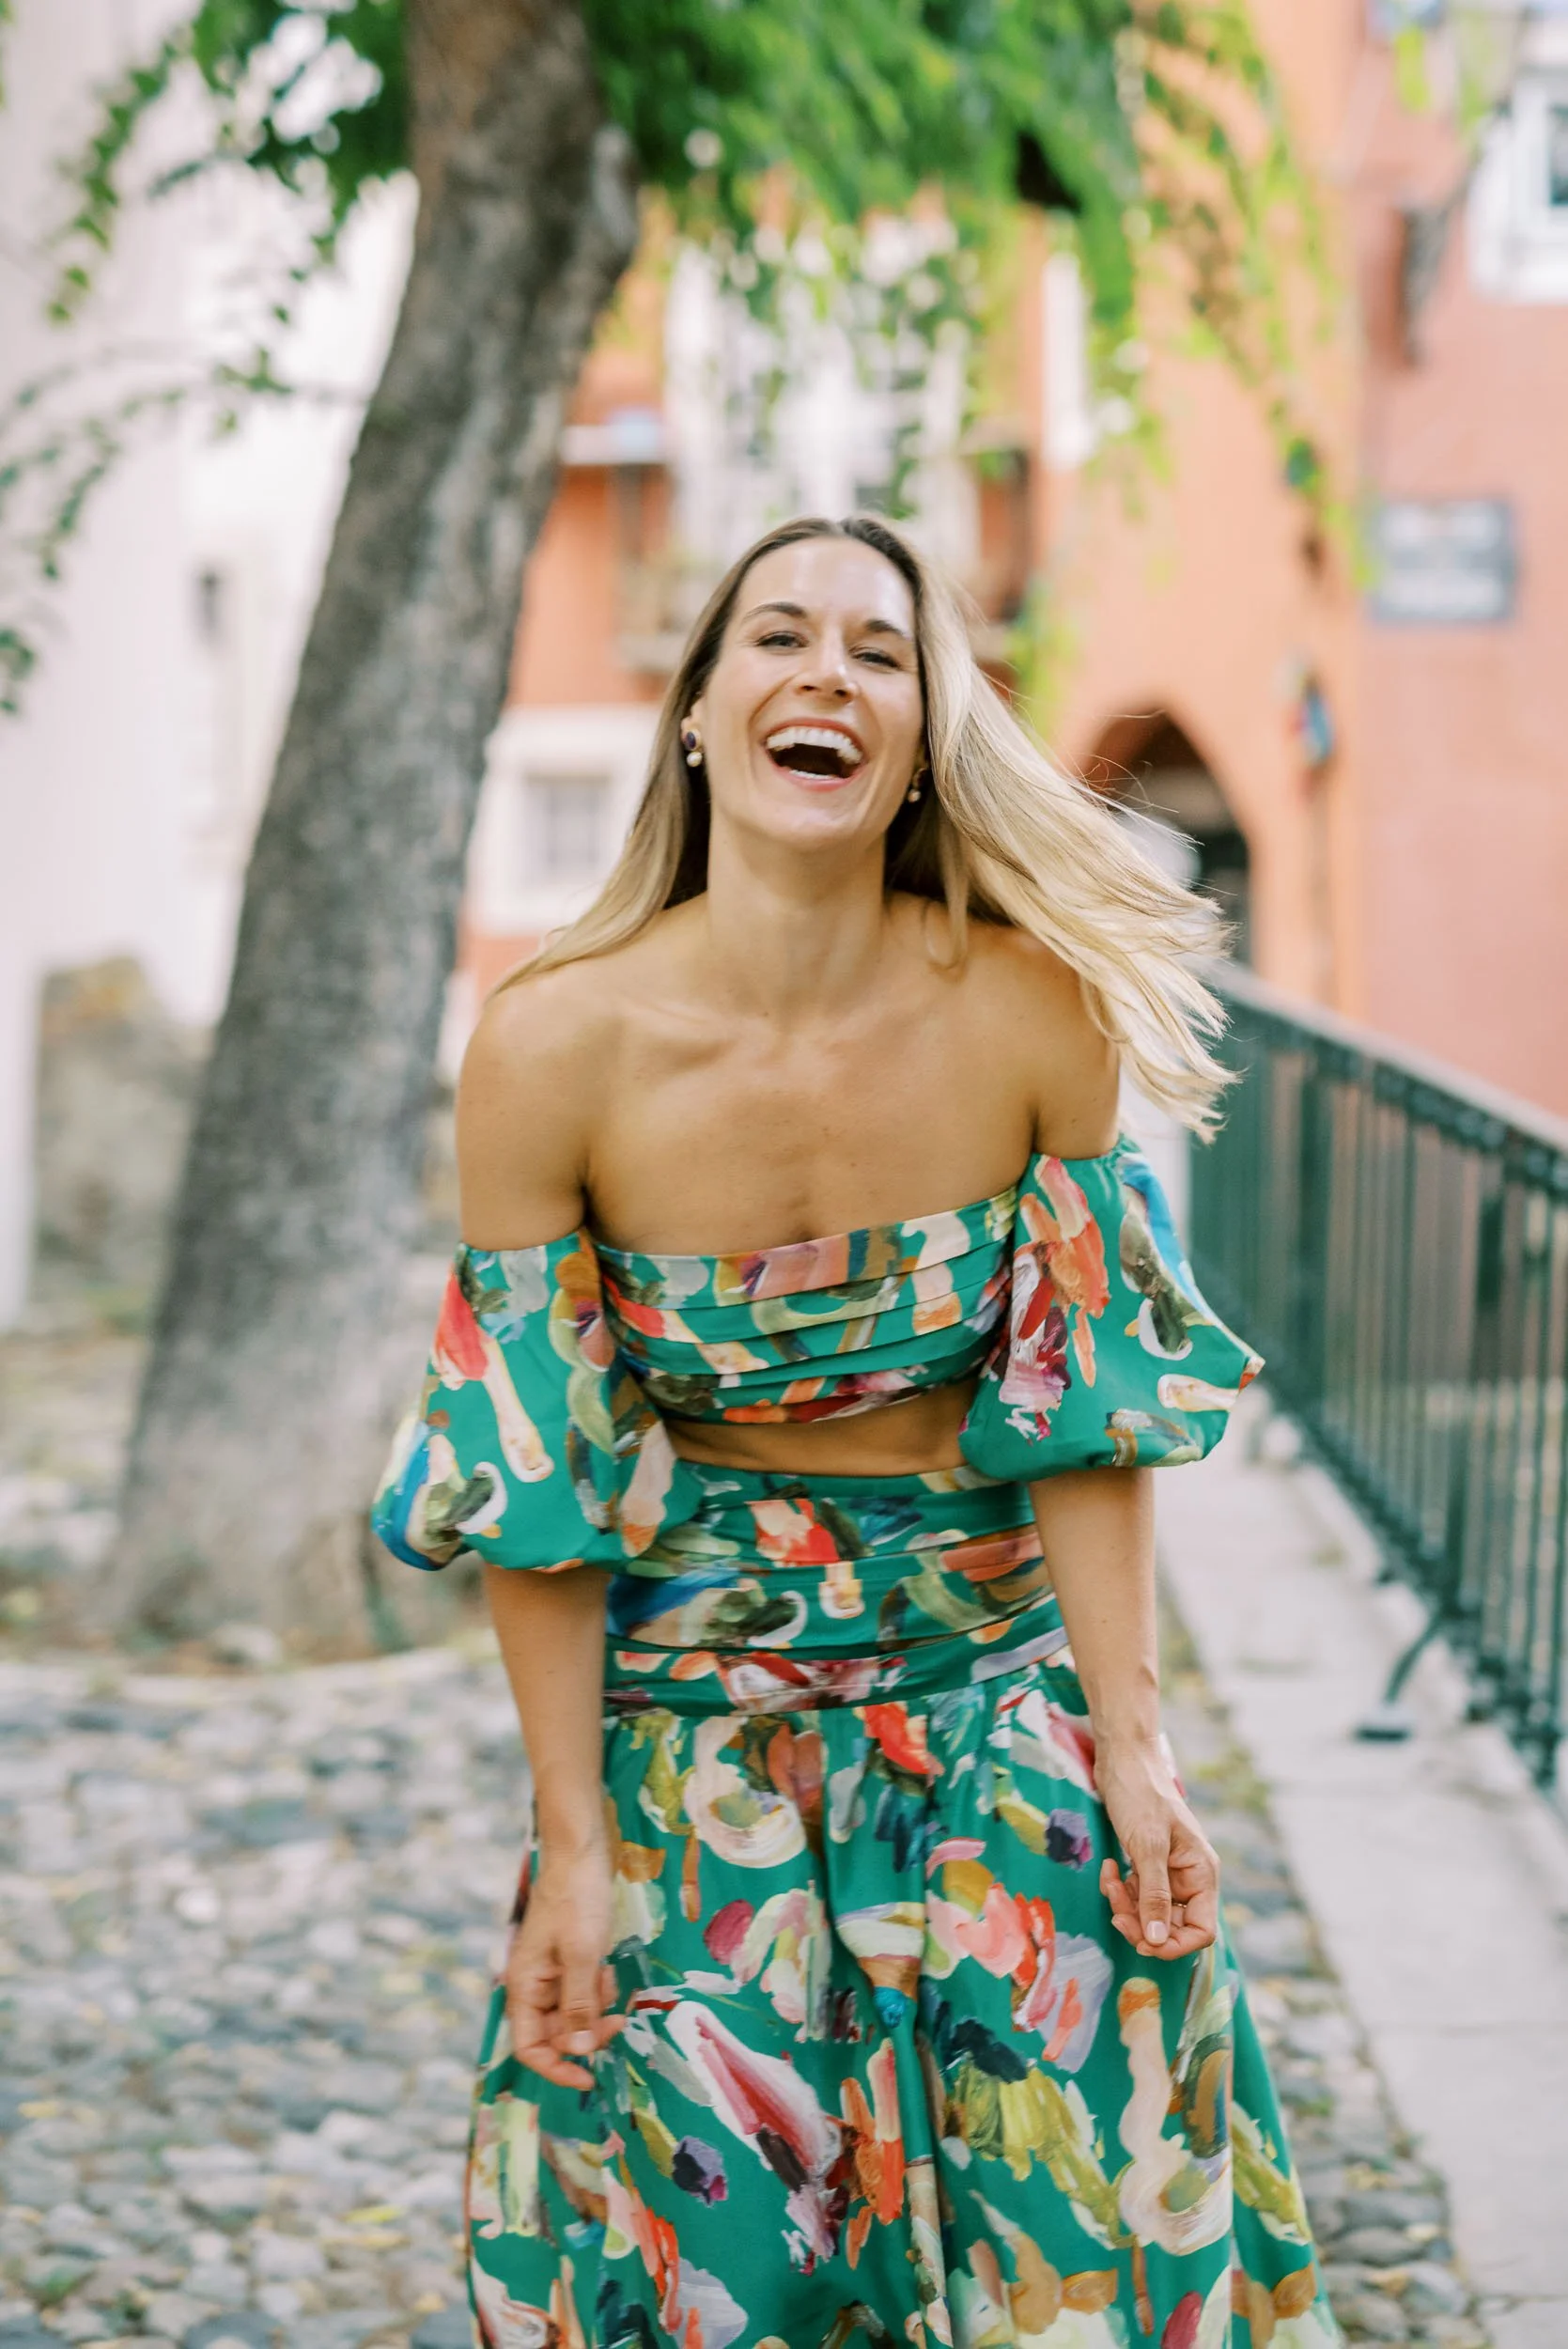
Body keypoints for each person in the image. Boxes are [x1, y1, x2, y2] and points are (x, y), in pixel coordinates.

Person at [373, 515, 1338, 2349]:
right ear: (698, 711)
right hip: (696, 1748)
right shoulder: (553, 1046)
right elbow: (538, 1486)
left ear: (918, 735)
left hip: (994, 1711)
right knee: (722, 2268)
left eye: (881, 652)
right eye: (781, 637)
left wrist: (1134, 1749)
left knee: (1071, 2241)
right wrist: (572, 1838)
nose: (828, 671)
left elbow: (1082, 1421)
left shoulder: (1035, 1004)